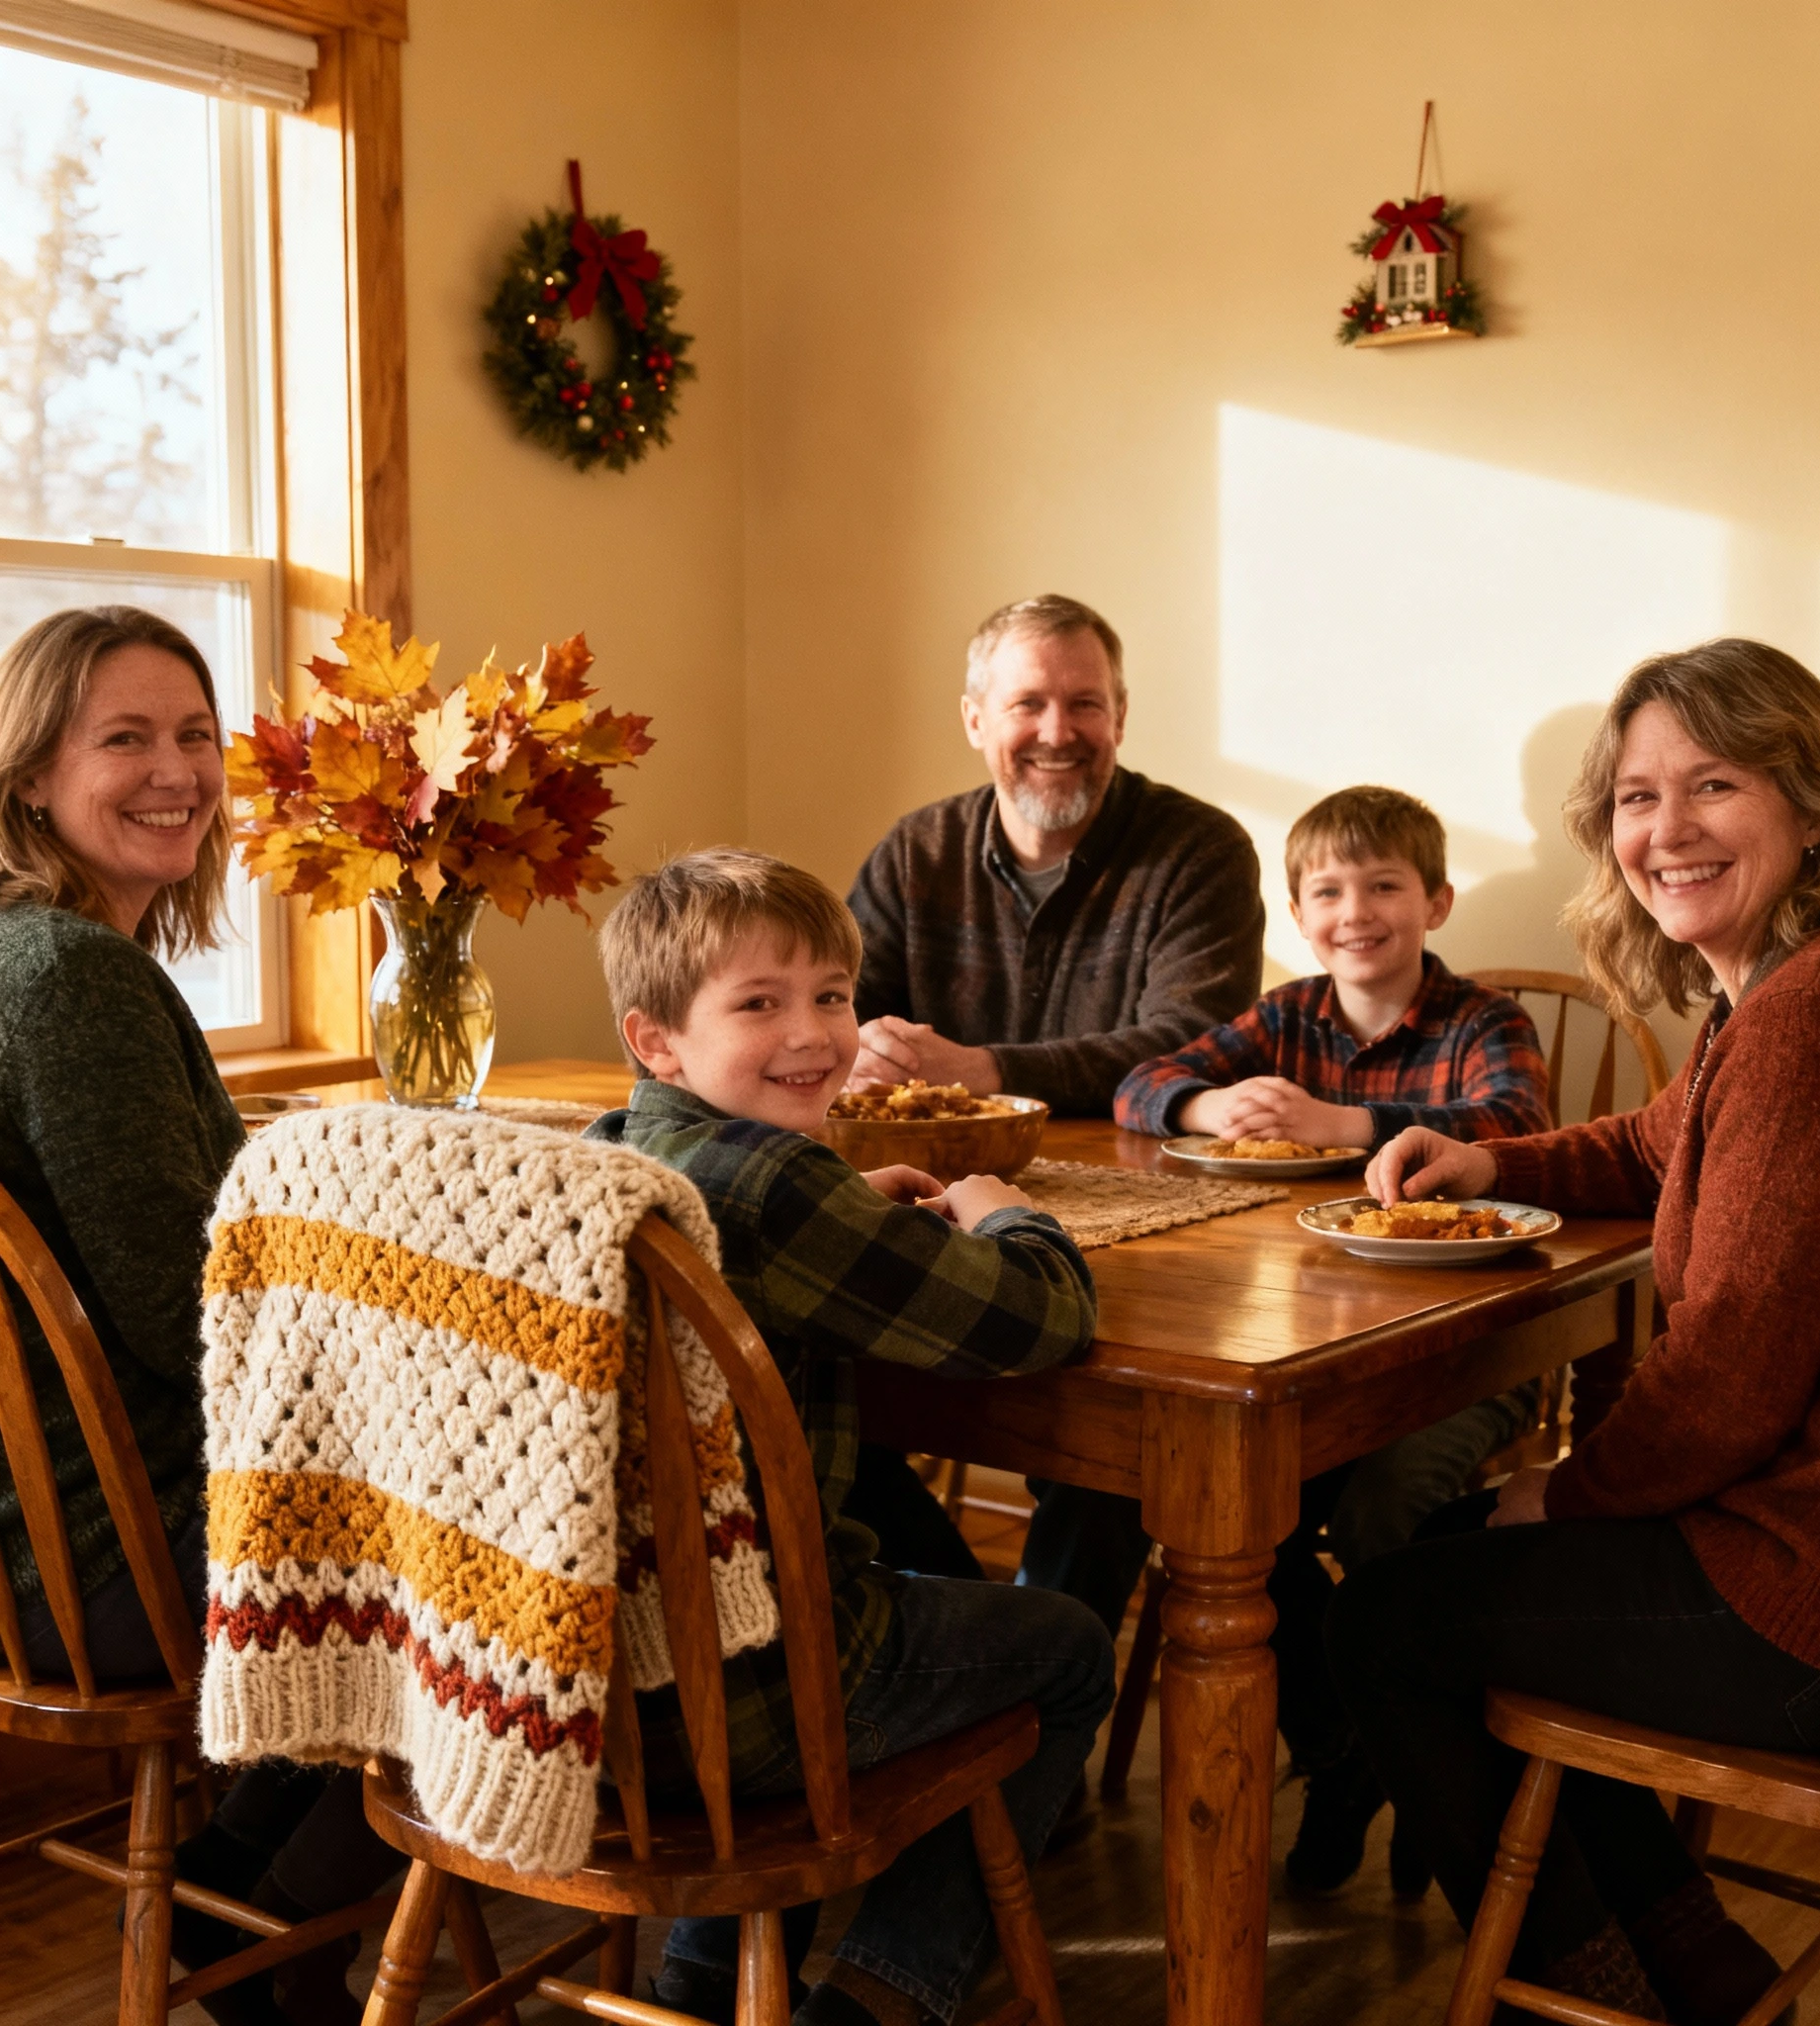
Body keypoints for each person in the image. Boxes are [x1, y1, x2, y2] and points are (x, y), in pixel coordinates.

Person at [1327, 638, 1820, 2026]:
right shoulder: (1802, 986)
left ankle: (1596, 1987)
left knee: (1387, 1619)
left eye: (1715, 784)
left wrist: (1560, 1495)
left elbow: (1725, 1386)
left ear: (1813, 808)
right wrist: (1500, 1164)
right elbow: (1670, 1142)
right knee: (1449, 1580)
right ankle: (1699, 1970)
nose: (1667, 829)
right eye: (1638, 798)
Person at [590, 848, 1116, 2026]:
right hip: (753, 1693)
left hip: (597, 1676)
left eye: (831, 993)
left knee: (878, 1558)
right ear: (657, 1037)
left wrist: (840, 1203)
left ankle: (701, 1977)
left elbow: (774, 1235)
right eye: (759, 1002)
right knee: (1072, 1645)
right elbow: (1043, 1314)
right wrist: (1002, 1207)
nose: (813, 1032)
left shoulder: (615, 1148)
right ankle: (885, 1994)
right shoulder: (773, 1185)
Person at [0, 607, 399, 2026]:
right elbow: (191, 1324)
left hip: (52, 1537)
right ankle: (282, 1934)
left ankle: (236, 1878)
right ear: (31, 775)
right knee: (544, 1531)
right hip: (111, 1557)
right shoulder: (68, 981)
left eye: (192, 736)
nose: (177, 771)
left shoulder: (34, 959)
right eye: (124, 738)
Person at [1107, 785, 1552, 1893]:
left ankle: (1421, 1747)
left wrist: (1344, 1126)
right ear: (1300, 916)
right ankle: (1348, 1743)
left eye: (1383, 886)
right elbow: (1140, 1082)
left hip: (1466, 1357)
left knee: (1376, 1513)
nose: (1356, 910)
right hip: (1316, 1349)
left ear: (1434, 899)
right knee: (1216, 1515)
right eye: (1327, 891)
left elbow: (1520, 1127)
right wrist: (1207, 1109)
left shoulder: (1481, 1020)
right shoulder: (1285, 1014)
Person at [842, 593, 1266, 1585]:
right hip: (934, 1209)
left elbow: (1190, 1038)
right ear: (976, 719)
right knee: (813, 1378)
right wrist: (862, 1041)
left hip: (1151, 1232)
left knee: (1111, 1435)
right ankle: (969, 1627)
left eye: (1085, 703)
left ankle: (1052, 1656)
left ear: (1118, 714)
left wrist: (980, 1070)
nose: (1056, 732)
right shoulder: (916, 850)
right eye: (1027, 702)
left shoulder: (1197, 849)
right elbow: (843, 1008)